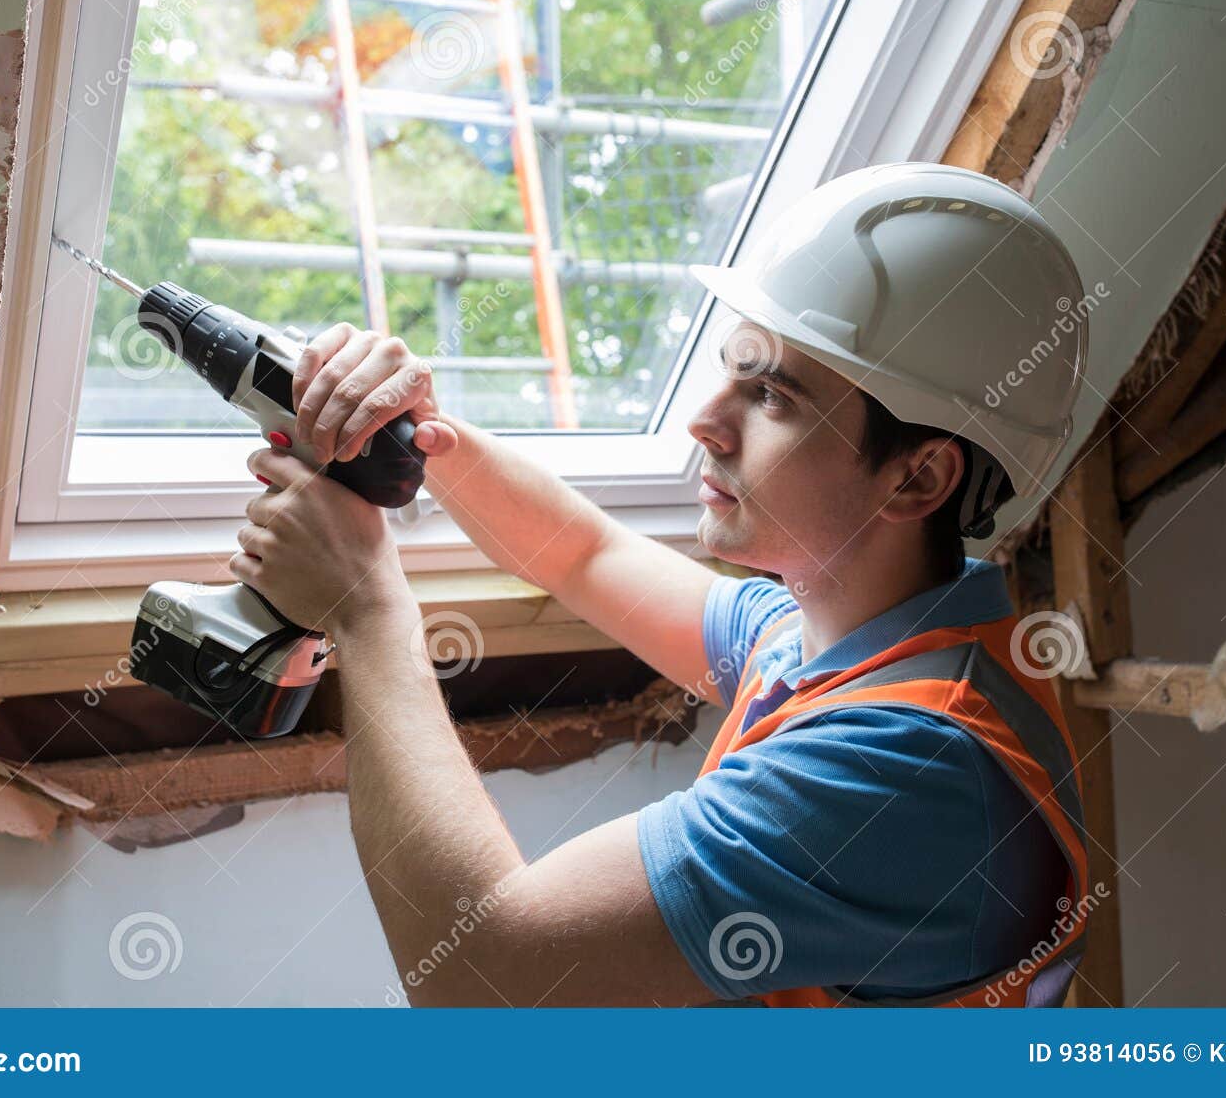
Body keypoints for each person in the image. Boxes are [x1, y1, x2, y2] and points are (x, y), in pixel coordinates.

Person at [234, 163, 1092, 1007]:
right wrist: (413, 428)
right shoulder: (833, 634)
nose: (705, 420)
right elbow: (584, 553)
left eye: (772, 397)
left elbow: (487, 982)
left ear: (917, 480)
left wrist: (367, 606)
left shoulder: (908, 769)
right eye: (734, 369)